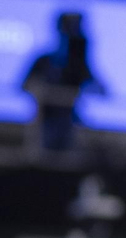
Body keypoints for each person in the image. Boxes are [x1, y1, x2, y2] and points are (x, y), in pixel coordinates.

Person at [22, 11, 106, 152]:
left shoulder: (79, 66)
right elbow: (24, 86)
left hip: (70, 126)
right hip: (43, 124)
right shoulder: (44, 61)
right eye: (69, 28)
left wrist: (83, 64)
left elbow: (102, 91)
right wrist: (43, 91)